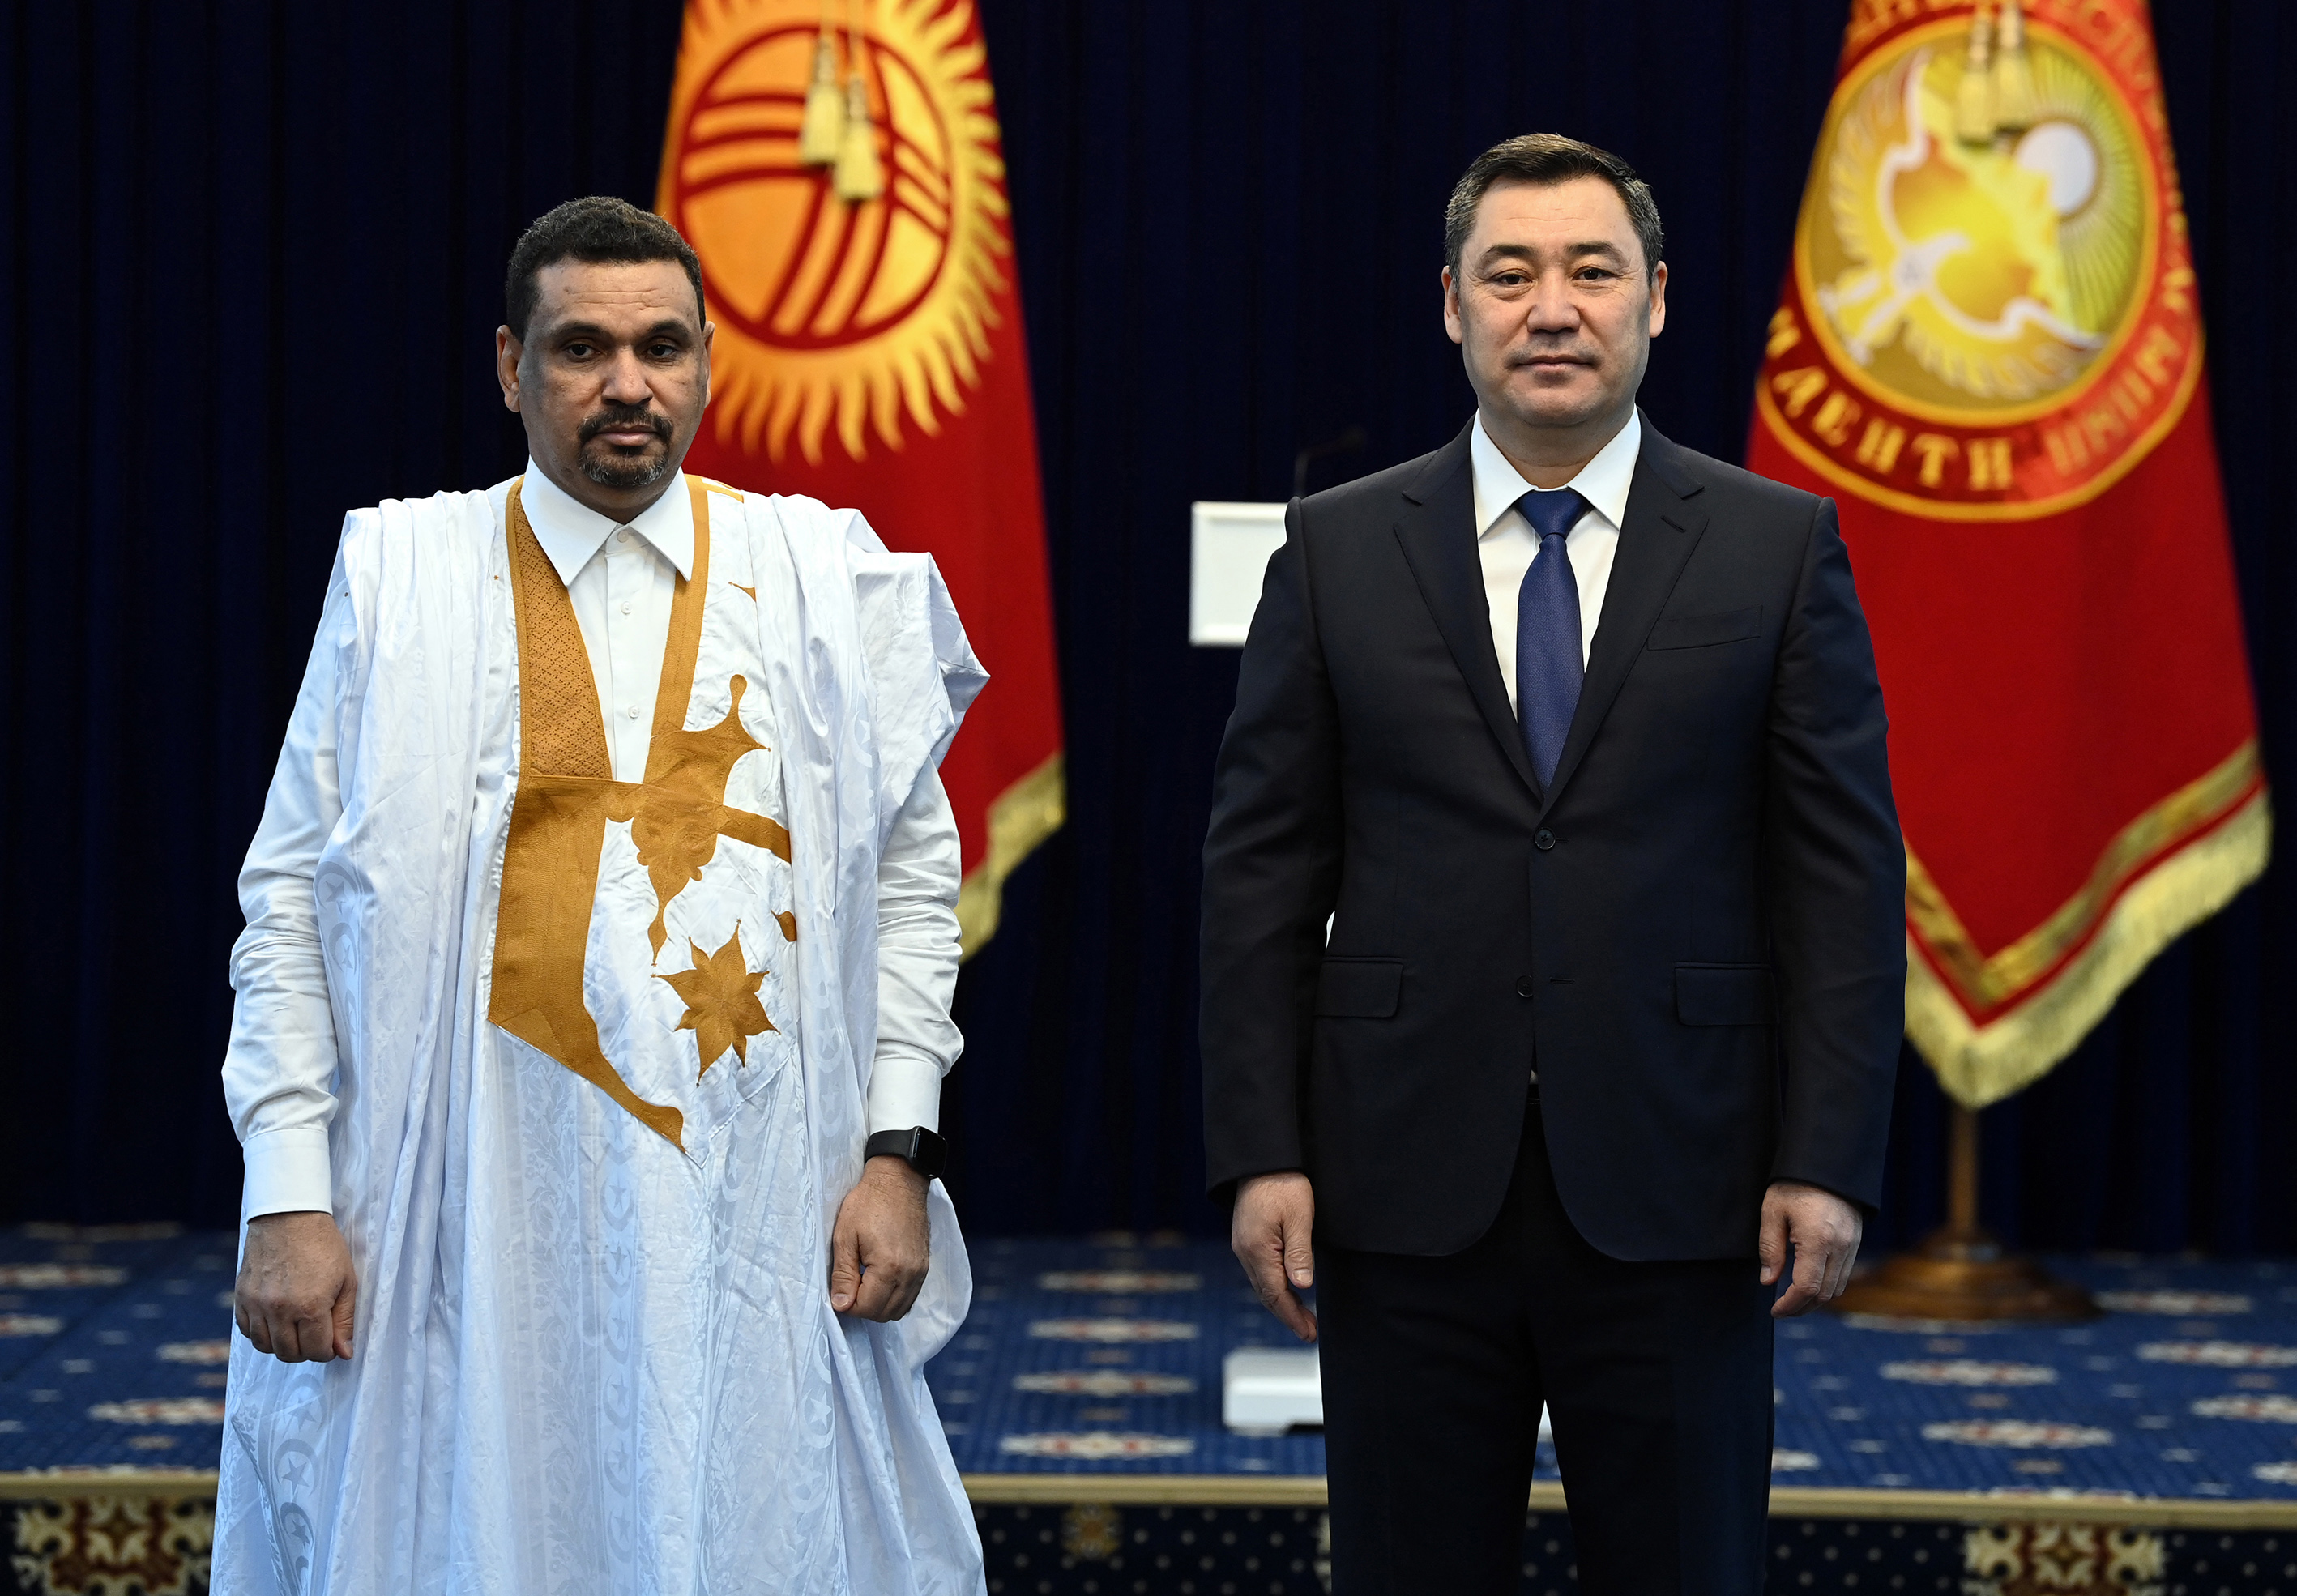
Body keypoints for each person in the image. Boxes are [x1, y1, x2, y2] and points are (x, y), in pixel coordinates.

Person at [216, 196, 987, 1594]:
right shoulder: (399, 576)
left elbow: (916, 889)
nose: (628, 384)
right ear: (511, 367)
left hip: (763, 1225)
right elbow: (288, 906)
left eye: (661, 348)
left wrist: (899, 1154)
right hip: (458, 1238)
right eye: (582, 349)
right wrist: (286, 1194)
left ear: (708, 364)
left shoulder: (825, 578)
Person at [1200, 134, 1905, 1594]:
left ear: (1657, 297)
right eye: (1510, 274)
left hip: (1685, 1185)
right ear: (1452, 305)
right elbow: (1260, 878)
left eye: (1592, 271)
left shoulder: (1777, 548)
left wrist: (1824, 1159)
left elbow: (1838, 883)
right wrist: (1262, 1149)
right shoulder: (1336, 549)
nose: (1553, 308)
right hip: (1401, 1187)